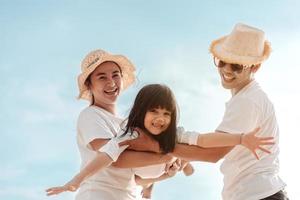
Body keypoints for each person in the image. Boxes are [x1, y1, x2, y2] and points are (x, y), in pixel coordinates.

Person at [46, 83, 274, 198]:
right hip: (142, 172)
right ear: (141, 112)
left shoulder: (173, 133)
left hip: (154, 171)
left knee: (180, 150)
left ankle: (178, 168)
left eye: (167, 114)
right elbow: (107, 155)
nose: (161, 119)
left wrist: (242, 138)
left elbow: (204, 140)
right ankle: (168, 172)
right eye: (154, 112)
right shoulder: (130, 134)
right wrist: (76, 180)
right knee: (172, 153)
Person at [209, 23, 288, 200]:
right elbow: (215, 145)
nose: (227, 70)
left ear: (255, 67)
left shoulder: (247, 100)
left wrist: (166, 146)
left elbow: (213, 153)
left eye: (237, 65)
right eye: (222, 61)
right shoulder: (247, 97)